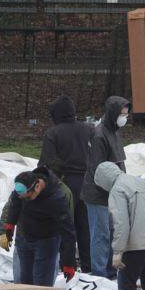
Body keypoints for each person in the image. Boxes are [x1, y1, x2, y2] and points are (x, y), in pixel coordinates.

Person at [38, 95, 94, 273]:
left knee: (64, 226)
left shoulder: (53, 133)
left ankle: (65, 265)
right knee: (84, 226)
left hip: (65, 183)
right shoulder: (89, 129)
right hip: (87, 182)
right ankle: (88, 266)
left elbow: (47, 163)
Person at [94, 162, 145, 290]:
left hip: (137, 246)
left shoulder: (117, 189)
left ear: (104, 180)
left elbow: (121, 223)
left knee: (126, 284)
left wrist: (118, 251)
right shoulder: (142, 182)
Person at [0, 167, 77, 286]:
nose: (26, 200)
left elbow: (68, 232)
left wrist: (69, 262)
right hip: (24, 238)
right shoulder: (23, 189)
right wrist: (9, 226)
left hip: (46, 242)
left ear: (37, 187)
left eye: (28, 197)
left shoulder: (56, 199)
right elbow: (15, 204)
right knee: (24, 284)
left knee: (41, 286)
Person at [81, 96, 130, 278]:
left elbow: (117, 161)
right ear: (113, 113)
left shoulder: (114, 131)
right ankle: (99, 272)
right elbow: (98, 168)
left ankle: (110, 270)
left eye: (126, 114)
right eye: (122, 114)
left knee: (111, 232)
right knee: (100, 235)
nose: (125, 118)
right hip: (98, 193)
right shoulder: (100, 134)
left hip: (112, 192)